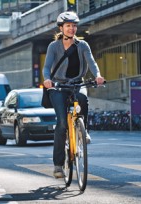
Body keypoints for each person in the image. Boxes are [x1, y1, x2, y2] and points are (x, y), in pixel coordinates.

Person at [42, 11, 105, 179]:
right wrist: (47, 79)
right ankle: (58, 165)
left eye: (74, 26)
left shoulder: (82, 45)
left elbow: (92, 62)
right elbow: (47, 67)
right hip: (58, 86)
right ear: (61, 28)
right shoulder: (53, 47)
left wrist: (97, 75)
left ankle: (83, 131)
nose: (72, 29)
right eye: (68, 26)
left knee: (83, 98)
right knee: (62, 123)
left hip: (77, 83)